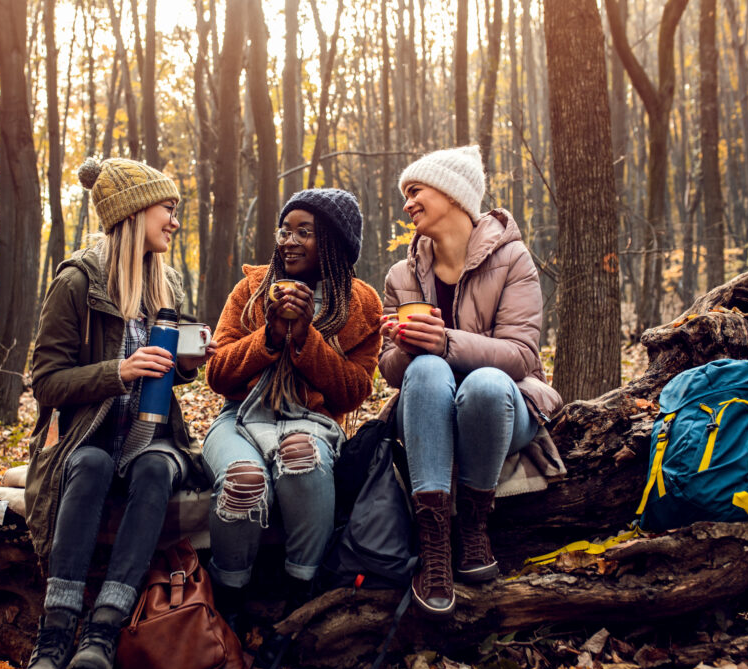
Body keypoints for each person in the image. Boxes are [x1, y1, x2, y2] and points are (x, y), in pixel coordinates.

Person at [22, 157, 216, 669]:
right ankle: (55, 635)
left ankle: (104, 632)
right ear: (133, 213)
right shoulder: (77, 282)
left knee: (156, 469)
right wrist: (119, 371)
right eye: (167, 210)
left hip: (152, 437)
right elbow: (45, 382)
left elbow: (164, 373)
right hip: (88, 435)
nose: (175, 222)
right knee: (89, 467)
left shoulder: (166, 282)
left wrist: (185, 367)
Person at [379, 146, 564, 616]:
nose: (407, 204)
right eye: (406, 194)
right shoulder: (401, 274)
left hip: (504, 405)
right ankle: (435, 546)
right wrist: (403, 346)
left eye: (415, 191)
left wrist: (446, 341)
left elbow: (522, 356)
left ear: (452, 194)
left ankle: (474, 529)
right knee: (423, 368)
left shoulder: (514, 259)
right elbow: (390, 371)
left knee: (483, 383)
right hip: (427, 410)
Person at [202, 188, 383, 626]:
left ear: (334, 244)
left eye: (305, 232)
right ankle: (229, 597)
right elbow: (219, 376)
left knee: (300, 454)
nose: (289, 240)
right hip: (240, 420)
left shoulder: (360, 303)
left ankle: (302, 590)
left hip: (313, 425)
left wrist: (307, 338)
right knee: (244, 481)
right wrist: (269, 335)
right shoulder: (251, 289)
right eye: (285, 230)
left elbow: (353, 392)